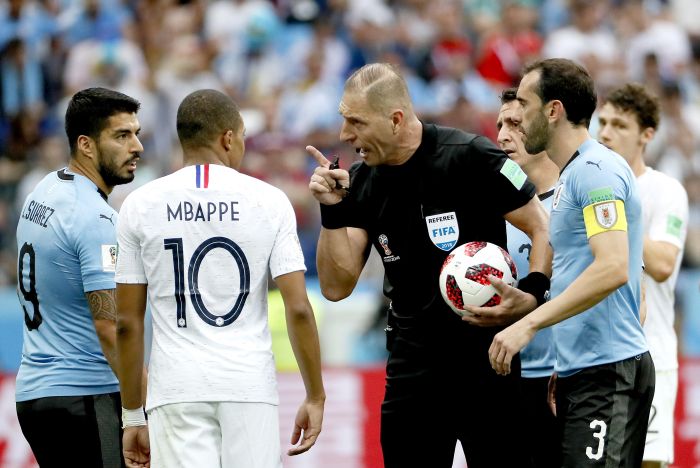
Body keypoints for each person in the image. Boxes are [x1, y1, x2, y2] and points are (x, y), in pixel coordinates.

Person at [306, 62, 551, 468]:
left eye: (356, 122)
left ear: (396, 119)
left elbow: (541, 225)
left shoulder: (471, 156)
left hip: (488, 361)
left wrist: (533, 293)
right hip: (413, 367)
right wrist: (332, 213)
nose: (345, 135)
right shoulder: (363, 180)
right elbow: (335, 286)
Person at [115, 89, 325, 468]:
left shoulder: (140, 205)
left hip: (176, 388)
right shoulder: (270, 201)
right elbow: (297, 308)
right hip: (247, 384)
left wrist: (132, 415)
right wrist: (315, 396)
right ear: (228, 137)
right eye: (243, 136)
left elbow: (127, 323)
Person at [487, 58, 655, 467]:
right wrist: (566, 360)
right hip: (583, 371)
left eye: (524, 104)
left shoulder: (596, 171)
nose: (518, 119)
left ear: (553, 110)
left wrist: (528, 323)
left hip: (609, 373)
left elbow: (613, 267)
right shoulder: (572, 175)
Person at [15, 87, 143, 467]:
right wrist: (139, 411)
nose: (136, 146)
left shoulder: (45, 189)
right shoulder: (97, 220)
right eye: (122, 136)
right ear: (86, 145)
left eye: (136, 133)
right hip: (86, 396)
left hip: (36, 394)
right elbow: (111, 328)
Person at [598, 83, 688, 468]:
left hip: (649, 354)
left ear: (647, 135)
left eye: (619, 125)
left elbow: (665, 262)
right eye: (601, 122)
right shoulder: (587, 186)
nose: (604, 133)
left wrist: (619, 211)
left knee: (648, 464)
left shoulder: (665, 190)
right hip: (595, 358)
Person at [493, 87, 561, 467]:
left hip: (564, 379)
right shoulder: (490, 211)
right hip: (505, 378)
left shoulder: (578, 197)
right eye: (500, 124)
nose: (503, 135)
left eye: (516, 124)